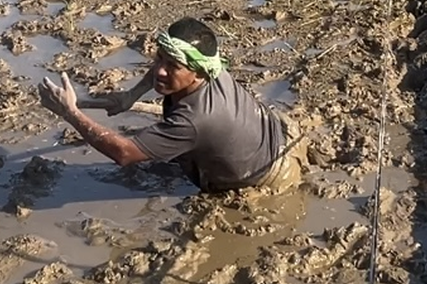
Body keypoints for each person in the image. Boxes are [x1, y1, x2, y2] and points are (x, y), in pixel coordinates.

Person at [37, 17, 305, 193]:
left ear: (198, 72)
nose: (160, 71)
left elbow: (125, 154)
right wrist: (133, 94)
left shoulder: (193, 120)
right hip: (273, 138)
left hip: (265, 179)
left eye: (173, 66)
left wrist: (70, 113)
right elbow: (163, 69)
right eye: (159, 58)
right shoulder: (212, 67)